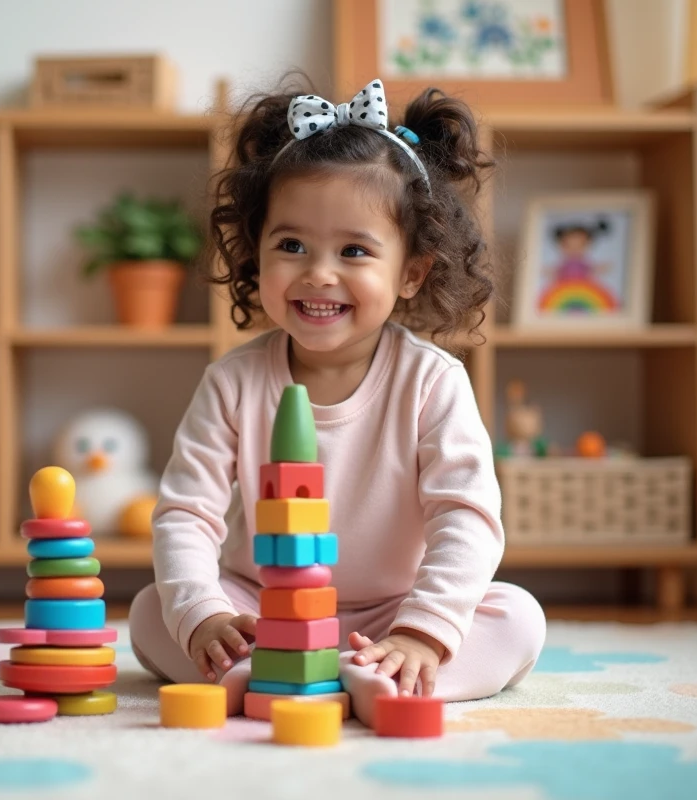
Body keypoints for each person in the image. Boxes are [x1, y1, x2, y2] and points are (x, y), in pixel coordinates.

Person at [127, 76, 547, 726]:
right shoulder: (232, 382)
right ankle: (248, 665)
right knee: (154, 610)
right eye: (291, 245)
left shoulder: (432, 381)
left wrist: (422, 631)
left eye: (354, 251)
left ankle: (390, 670)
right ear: (255, 253)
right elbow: (186, 515)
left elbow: (466, 518)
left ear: (411, 272)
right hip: (264, 606)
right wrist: (208, 619)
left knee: (518, 618)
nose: (319, 272)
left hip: (392, 606)